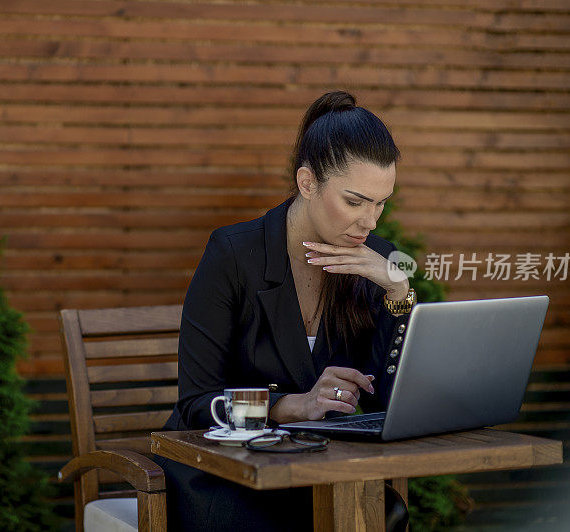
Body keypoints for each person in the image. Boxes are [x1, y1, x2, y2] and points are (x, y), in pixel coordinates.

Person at [154, 90, 416, 531]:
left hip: (324, 470)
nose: (370, 222)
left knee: (379, 512)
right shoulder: (235, 254)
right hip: (225, 474)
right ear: (307, 182)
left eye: (380, 202)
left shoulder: (377, 260)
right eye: (355, 202)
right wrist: (292, 405)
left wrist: (398, 293)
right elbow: (196, 403)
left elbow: (384, 406)